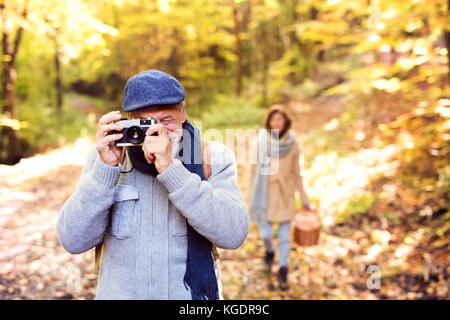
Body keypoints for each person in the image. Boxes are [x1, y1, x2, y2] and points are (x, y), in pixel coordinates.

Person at [57, 70, 250, 300]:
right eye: (145, 121)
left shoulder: (213, 158)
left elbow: (234, 234)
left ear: (183, 114)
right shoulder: (107, 158)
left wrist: (172, 171)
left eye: (166, 120)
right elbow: (73, 240)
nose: (156, 131)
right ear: (129, 120)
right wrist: (105, 171)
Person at [248, 104, 310, 291]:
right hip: (264, 194)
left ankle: (283, 269)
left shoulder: (293, 143)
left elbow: (297, 173)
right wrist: (249, 195)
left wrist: (304, 198)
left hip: (285, 194)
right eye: (274, 119)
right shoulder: (260, 141)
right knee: (266, 233)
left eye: (280, 119)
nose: (277, 123)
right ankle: (269, 251)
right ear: (268, 121)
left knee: (284, 236)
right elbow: (252, 171)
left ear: (286, 122)